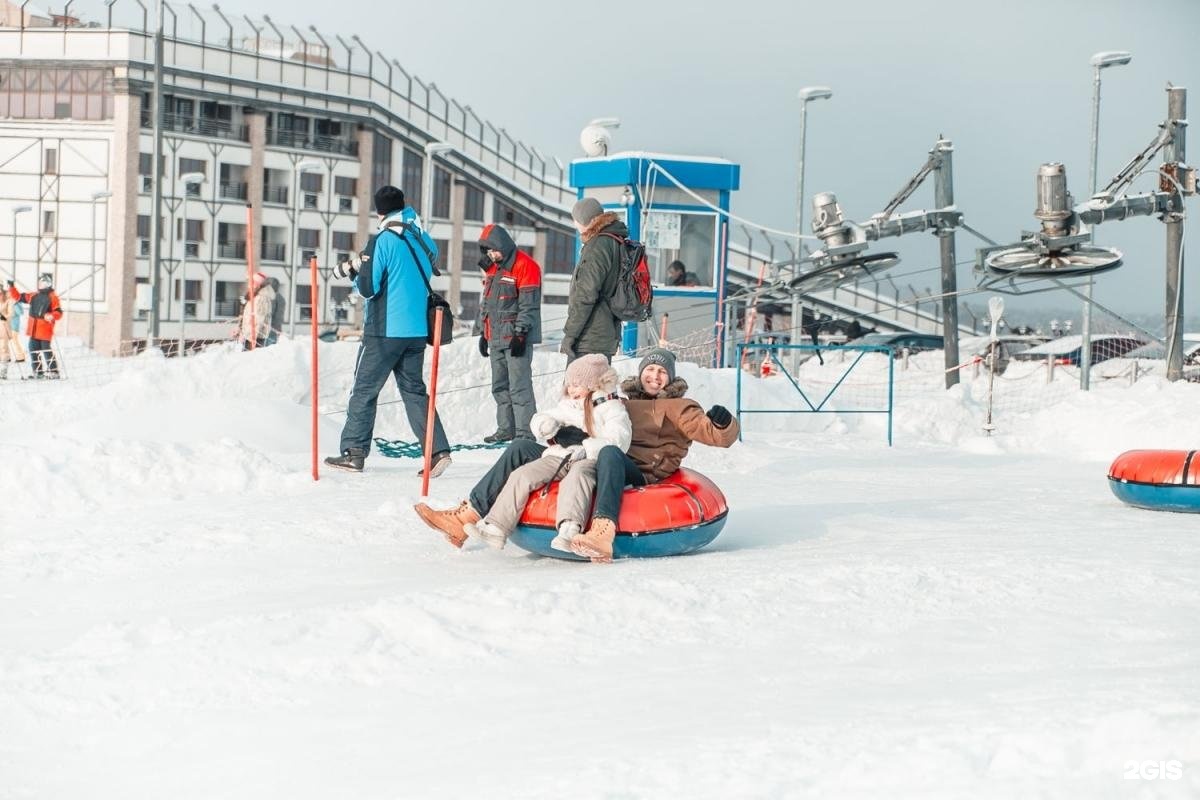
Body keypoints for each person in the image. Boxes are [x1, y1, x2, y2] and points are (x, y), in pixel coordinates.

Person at [324, 185, 451, 476]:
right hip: (417, 331)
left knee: (364, 391)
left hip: (384, 331)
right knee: (415, 392)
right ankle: (438, 451)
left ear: (379, 210)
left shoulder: (382, 240)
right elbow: (430, 267)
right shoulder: (422, 238)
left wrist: (355, 274)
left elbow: (369, 288)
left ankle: (354, 453)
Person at [570, 348, 739, 563]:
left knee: (610, 452)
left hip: (642, 474)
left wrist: (723, 424)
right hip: (607, 466)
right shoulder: (620, 403)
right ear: (641, 373)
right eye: (650, 369)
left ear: (670, 378)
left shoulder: (679, 408)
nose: (655, 376)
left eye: (662, 371)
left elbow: (716, 435)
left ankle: (602, 535)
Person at [464, 354, 631, 552]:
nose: (571, 390)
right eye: (569, 384)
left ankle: (569, 529)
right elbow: (545, 416)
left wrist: (586, 447)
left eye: (577, 385)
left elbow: (619, 439)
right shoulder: (568, 405)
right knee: (523, 474)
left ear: (594, 384)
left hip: (590, 460)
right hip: (561, 456)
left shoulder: (611, 407)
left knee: (576, 478)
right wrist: (545, 425)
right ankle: (497, 528)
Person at [475, 223, 542, 444]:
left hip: (515, 340)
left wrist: (521, 334)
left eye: (493, 250)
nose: (491, 255)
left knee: (520, 387)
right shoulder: (494, 268)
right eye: (488, 251)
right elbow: (488, 303)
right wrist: (483, 333)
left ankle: (525, 433)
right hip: (495, 338)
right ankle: (506, 429)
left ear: (503, 245)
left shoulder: (526, 266)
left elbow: (528, 306)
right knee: (500, 387)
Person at [560, 196, 623, 365]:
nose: (575, 225)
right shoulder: (615, 241)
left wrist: (570, 335)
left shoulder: (597, 246)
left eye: (576, 220)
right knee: (597, 389)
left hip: (589, 336)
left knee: (578, 389)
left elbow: (585, 295)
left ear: (585, 220)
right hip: (605, 332)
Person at [8, 274, 62, 379]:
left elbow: (58, 312)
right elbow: (19, 297)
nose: (40, 284)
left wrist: (51, 315)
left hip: (45, 330)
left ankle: (54, 372)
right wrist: (11, 287)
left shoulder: (53, 297)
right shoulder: (34, 295)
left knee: (46, 350)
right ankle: (38, 372)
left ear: (48, 284)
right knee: (33, 350)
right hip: (34, 330)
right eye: (40, 282)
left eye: (43, 282)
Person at [236, 272, 276, 350]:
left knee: (250, 359)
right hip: (250, 336)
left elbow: (258, 319)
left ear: (257, 284)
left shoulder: (261, 298)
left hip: (255, 337)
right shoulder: (255, 297)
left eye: (252, 283)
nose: (249, 285)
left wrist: (250, 337)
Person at [0, 280, 27, 378]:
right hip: (5, 326)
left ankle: (3, 371)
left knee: (5, 347)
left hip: (6, 326)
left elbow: (12, 313)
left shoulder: (9, 298)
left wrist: (4, 317)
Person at [266, 276, 286, 345]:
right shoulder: (276, 297)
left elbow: (277, 316)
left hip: (271, 328)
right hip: (271, 328)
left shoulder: (274, 297)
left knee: (268, 348)